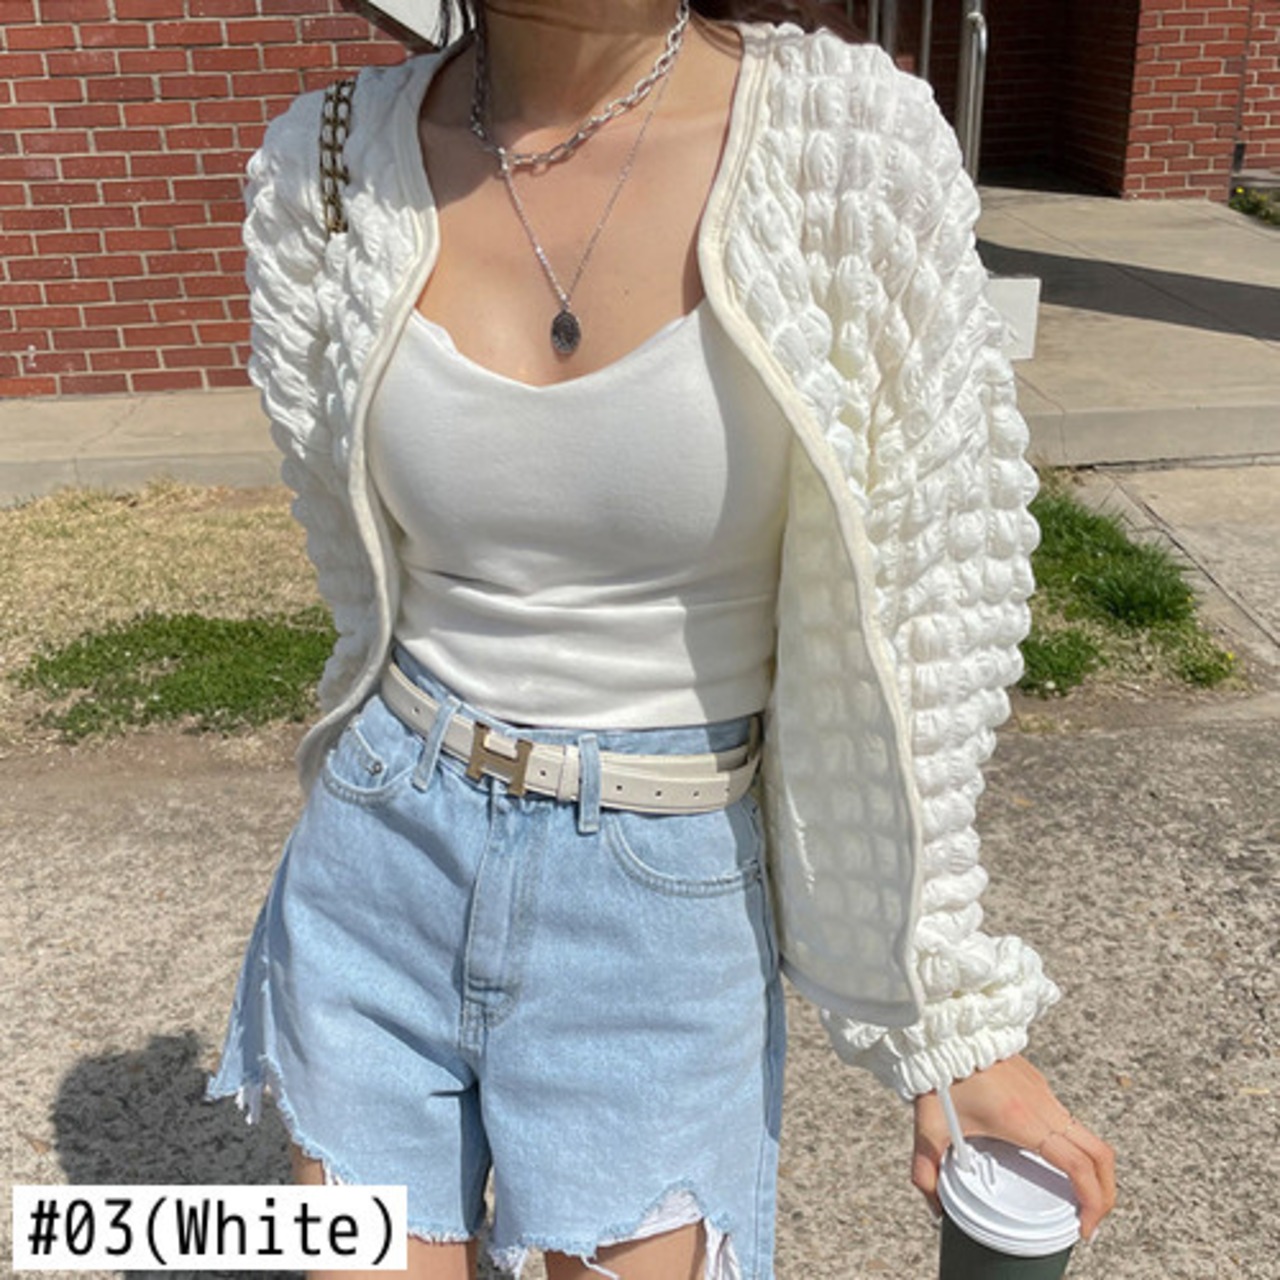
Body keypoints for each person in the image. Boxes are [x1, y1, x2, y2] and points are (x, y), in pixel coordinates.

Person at [206, 2, 1117, 1277]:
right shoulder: (327, 163)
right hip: (378, 859)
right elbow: (356, 571)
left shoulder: (843, 144)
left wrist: (949, 1021)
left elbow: (930, 605)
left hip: (657, 899)